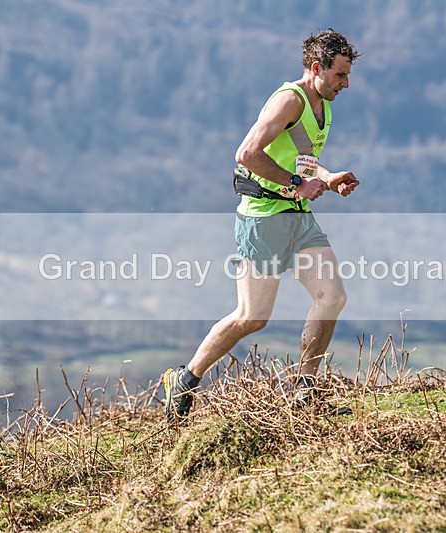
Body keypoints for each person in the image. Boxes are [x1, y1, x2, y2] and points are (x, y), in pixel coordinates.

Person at [164, 29, 361, 422]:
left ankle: (305, 393)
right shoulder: (289, 100)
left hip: (298, 219)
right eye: (340, 75)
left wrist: (328, 175)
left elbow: (301, 160)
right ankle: (185, 380)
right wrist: (296, 185)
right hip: (262, 219)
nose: (346, 84)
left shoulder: (324, 107)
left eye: (348, 75)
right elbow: (247, 153)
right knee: (252, 317)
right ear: (317, 67)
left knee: (332, 296)